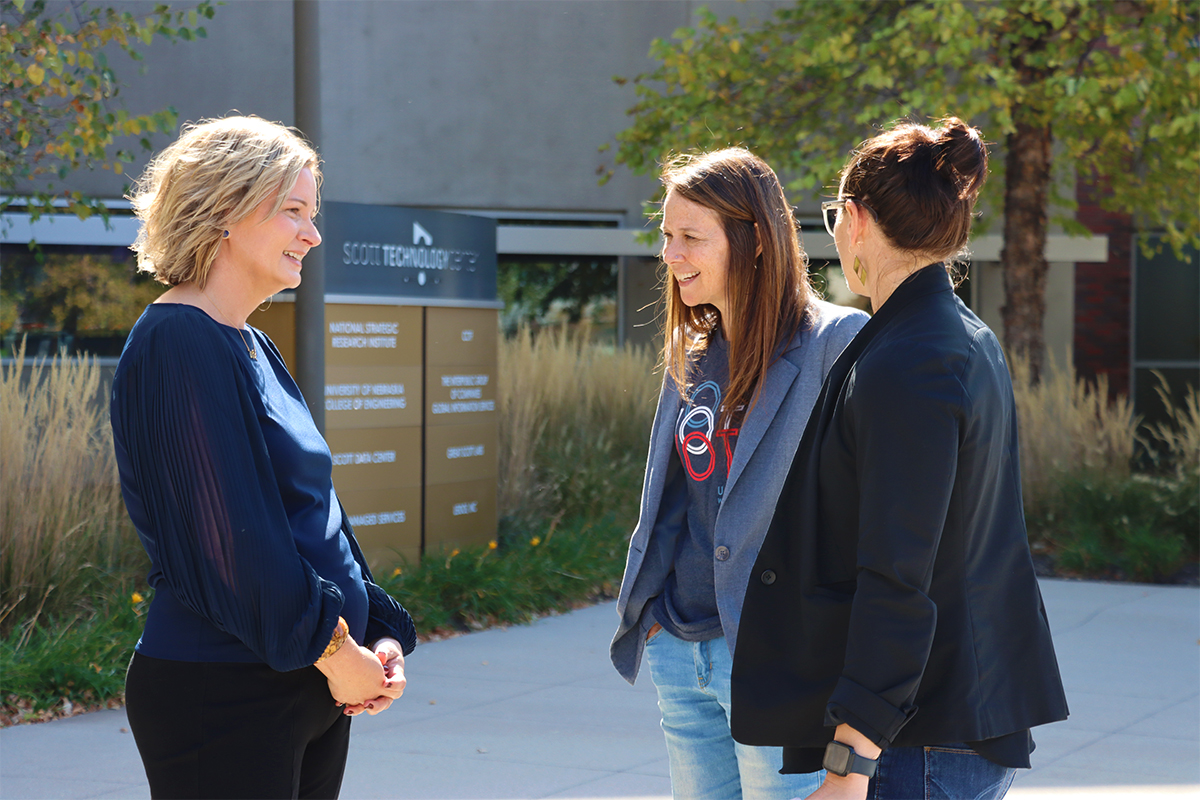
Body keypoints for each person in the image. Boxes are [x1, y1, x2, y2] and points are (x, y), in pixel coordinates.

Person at [730, 118, 1069, 800]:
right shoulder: (959, 337)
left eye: (833, 216)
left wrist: (850, 762)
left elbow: (897, 573)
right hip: (949, 723)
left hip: (918, 743)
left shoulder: (910, 361)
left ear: (855, 218)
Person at [111, 115, 417, 800]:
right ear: (224, 211)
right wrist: (339, 656)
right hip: (224, 693)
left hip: (301, 682)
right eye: (294, 212)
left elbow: (312, 514)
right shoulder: (178, 345)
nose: (312, 234)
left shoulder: (249, 341)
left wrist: (376, 635)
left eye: (313, 213)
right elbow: (230, 541)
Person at [610, 147, 869, 799]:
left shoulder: (837, 344)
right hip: (682, 646)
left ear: (753, 241)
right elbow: (677, 501)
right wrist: (656, 622)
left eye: (690, 237)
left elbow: (866, 517)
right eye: (667, 236)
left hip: (778, 661)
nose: (671, 254)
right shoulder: (692, 353)